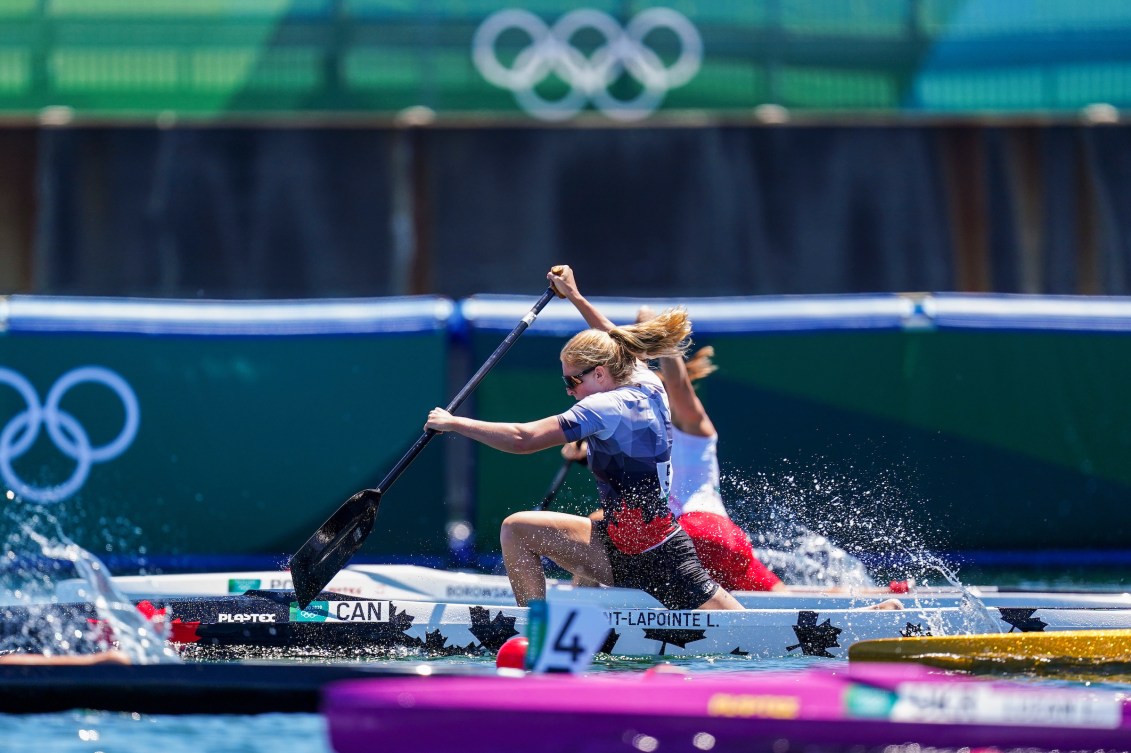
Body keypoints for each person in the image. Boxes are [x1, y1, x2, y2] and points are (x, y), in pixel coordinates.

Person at [549, 265, 903, 609]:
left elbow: (661, 374)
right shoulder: (646, 420)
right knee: (783, 599)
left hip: (684, 531)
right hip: (721, 535)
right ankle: (878, 602)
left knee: (602, 525)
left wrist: (643, 329)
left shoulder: (689, 420)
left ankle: (584, 604)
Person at [425, 266, 744, 612]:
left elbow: (523, 439)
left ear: (601, 374)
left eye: (573, 382)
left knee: (743, 630)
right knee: (518, 529)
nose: (569, 390)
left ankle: (546, 630)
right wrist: (575, 296)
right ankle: (553, 629)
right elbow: (614, 338)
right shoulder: (644, 381)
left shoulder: (605, 406)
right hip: (623, 545)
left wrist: (455, 423)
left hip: (657, 558)